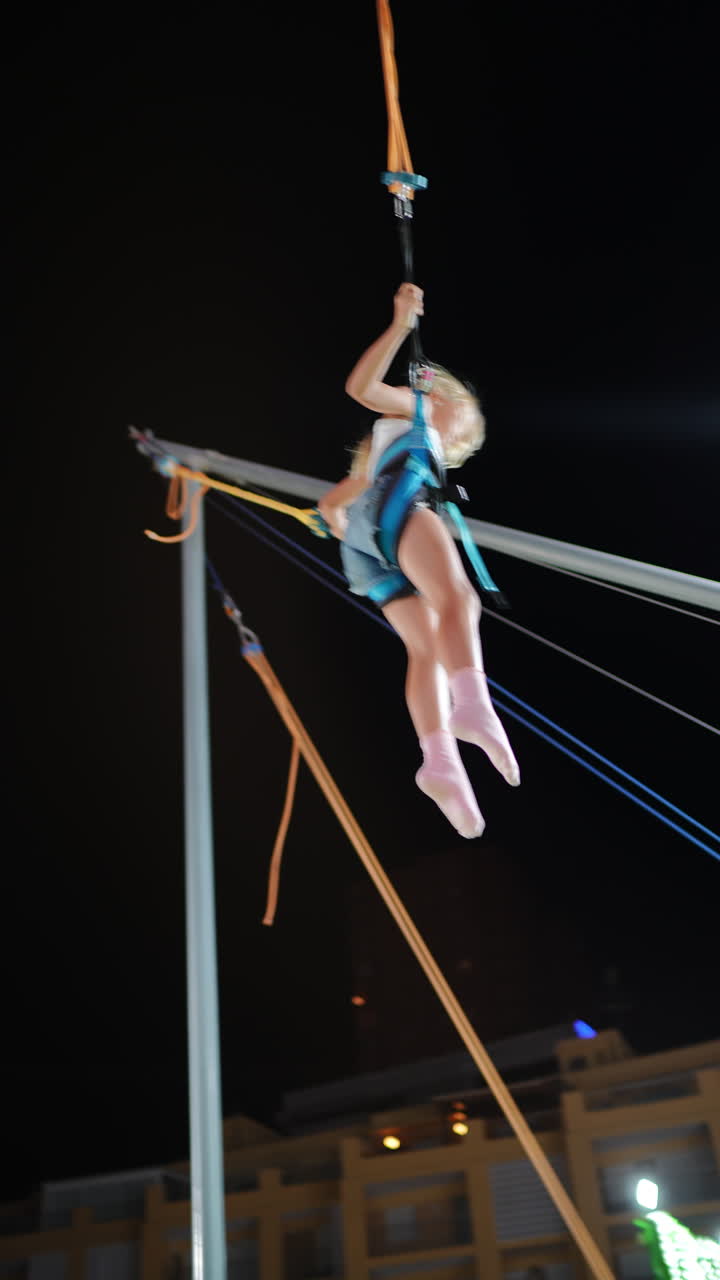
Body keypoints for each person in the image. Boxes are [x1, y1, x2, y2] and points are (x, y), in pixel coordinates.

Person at [318, 283, 519, 839]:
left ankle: (441, 762)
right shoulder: (425, 413)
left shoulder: (377, 457)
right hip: (400, 509)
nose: (458, 439)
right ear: (453, 404)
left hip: (367, 547)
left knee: (427, 647)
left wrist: (339, 522)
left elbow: (333, 508)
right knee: (459, 599)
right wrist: (402, 325)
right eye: (465, 429)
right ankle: (472, 707)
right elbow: (362, 387)